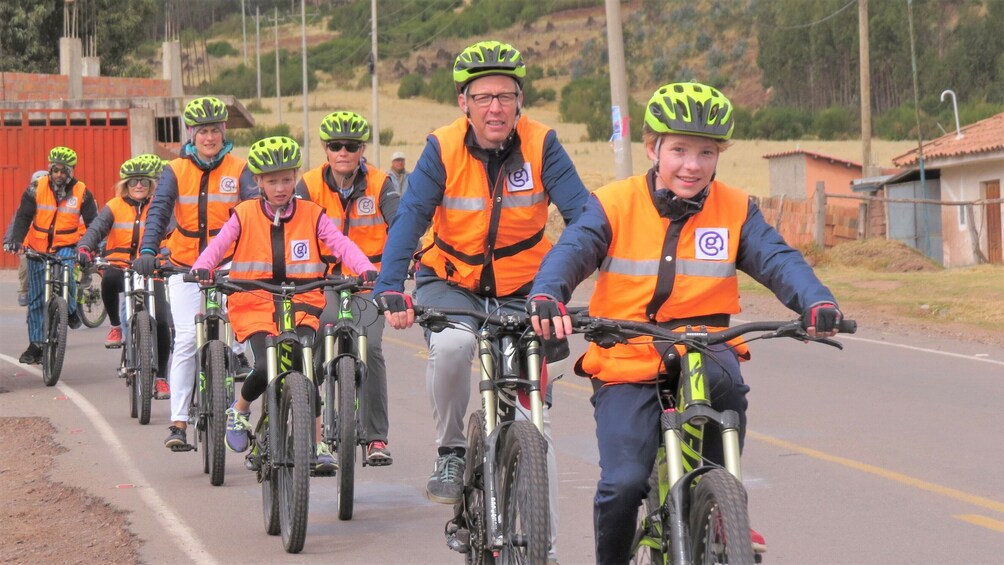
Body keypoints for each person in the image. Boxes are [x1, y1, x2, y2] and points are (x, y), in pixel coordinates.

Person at [526, 81, 845, 564]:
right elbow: (572, 250)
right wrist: (548, 294)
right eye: (678, 150)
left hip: (705, 347)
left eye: (706, 152)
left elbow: (779, 260)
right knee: (624, 482)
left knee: (729, 390)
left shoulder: (736, 209)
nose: (692, 165)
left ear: (719, 156)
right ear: (653, 148)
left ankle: (723, 502)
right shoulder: (613, 202)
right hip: (627, 356)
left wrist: (816, 302)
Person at [373, 40, 590, 564]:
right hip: (451, 280)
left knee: (536, 422)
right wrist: (389, 285)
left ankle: (546, 548)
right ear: (463, 102)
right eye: (483, 96)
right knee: (451, 348)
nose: (495, 107)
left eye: (506, 96)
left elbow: (586, 218)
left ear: (520, 101)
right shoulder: (442, 148)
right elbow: (411, 219)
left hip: (526, 289)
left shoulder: (543, 145)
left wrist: (560, 288)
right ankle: (450, 451)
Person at [191, 135, 378, 474]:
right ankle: (241, 408)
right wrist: (204, 266)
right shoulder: (244, 213)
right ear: (259, 182)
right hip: (255, 302)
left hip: (303, 302)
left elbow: (340, 243)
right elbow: (219, 245)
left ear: (295, 178)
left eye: (287, 179)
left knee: (307, 371)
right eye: (272, 181)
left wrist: (364, 267)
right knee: (266, 366)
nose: (280, 187)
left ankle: (319, 443)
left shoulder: (312, 214)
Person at [132, 96, 258, 449]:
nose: (209, 137)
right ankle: (179, 422)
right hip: (184, 264)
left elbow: (252, 210)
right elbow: (158, 213)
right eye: (202, 131)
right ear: (191, 134)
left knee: (247, 326)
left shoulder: (239, 168)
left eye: (215, 130)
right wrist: (147, 251)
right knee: (187, 337)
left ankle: (239, 375)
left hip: (231, 262)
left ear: (223, 132)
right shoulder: (175, 171)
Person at [295, 110, 400, 466]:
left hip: (368, 282)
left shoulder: (381, 183)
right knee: (312, 344)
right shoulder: (307, 185)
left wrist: (409, 257)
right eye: (336, 146)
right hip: (322, 280)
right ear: (325, 150)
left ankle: (376, 438)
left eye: (351, 146)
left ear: (361, 150)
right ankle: (312, 418)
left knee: (370, 348)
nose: (343, 152)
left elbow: (399, 224)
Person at [77, 155, 174, 397]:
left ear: (151, 184)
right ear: (125, 185)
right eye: (133, 182)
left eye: (143, 181)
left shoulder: (161, 206)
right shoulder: (114, 206)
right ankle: (116, 326)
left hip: (154, 269)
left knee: (162, 322)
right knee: (109, 279)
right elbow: (96, 228)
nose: (138, 185)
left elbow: (173, 234)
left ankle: (161, 378)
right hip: (120, 265)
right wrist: (84, 247)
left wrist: (169, 256)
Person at [4, 147, 97, 364]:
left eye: (63, 171)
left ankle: (71, 310)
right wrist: (16, 241)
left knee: (67, 272)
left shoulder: (82, 191)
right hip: (38, 247)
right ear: (50, 169)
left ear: (71, 172)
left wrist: (92, 247)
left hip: (67, 244)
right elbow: (23, 216)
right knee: (36, 298)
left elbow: (94, 224)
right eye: (55, 170)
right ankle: (36, 344)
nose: (58, 175)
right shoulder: (36, 187)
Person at [3, 170, 49, 307]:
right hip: (30, 243)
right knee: (24, 262)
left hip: (50, 243)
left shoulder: (56, 203)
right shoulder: (27, 203)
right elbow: (16, 222)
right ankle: (24, 289)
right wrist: (9, 241)